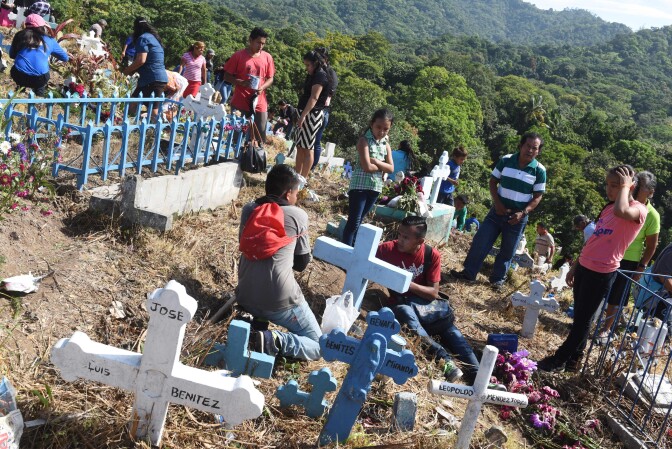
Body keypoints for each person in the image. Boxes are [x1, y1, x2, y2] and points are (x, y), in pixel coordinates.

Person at [538, 165, 647, 372]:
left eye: (616, 186)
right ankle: (574, 359)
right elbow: (594, 240)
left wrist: (625, 187)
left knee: (582, 321)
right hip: (585, 266)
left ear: (630, 186)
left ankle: (559, 360)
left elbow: (622, 211)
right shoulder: (607, 208)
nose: (610, 190)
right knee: (580, 316)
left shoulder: (637, 209)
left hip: (602, 272)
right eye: (608, 184)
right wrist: (575, 266)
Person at [376, 216, 481, 382]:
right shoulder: (386, 250)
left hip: (428, 308)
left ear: (420, 240)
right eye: (399, 235)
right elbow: (365, 261)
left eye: (406, 237)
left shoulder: (431, 255)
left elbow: (433, 292)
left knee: (453, 334)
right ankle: (445, 362)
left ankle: (480, 376)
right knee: (404, 312)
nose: (400, 240)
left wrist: (405, 283)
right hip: (403, 306)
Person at [236, 164, 321, 361]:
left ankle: (256, 323)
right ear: (287, 193)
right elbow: (301, 263)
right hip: (279, 301)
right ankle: (273, 340)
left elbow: (244, 245)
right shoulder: (297, 215)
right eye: (296, 192)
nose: (297, 197)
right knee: (318, 346)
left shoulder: (249, 209)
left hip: (245, 295)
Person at [451, 133, 546, 290]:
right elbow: (493, 181)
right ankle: (468, 273)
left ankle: (497, 281)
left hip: (518, 217)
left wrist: (523, 212)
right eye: (527, 146)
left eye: (534, 148)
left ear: (538, 151)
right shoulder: (507, 160)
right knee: (481, 241)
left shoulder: (539, 171)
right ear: (521, 146)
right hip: (497, 211)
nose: (530, 150)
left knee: (508, 250)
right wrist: (497, 203)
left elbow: (537, 197)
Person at [598, 171, 660, 340]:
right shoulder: (621, 203)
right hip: (608, 252)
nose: (637, 189)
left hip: (628, 259)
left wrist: (642, 266)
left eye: (642, 187)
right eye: (636, 185)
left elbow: (651, 245)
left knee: (617, 295)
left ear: (651, 192)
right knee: (599, 288)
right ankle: (589, 320)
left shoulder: (652, 215)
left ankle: (606, 328)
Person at [341, 109, 395, 247]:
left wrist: (376, 162)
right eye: (378, 127)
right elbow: (366, 167)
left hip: (375, 187)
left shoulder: (385, 145)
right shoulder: (363, 141)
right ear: (372, 124)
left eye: (386, 129)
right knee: (354, 221)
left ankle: (352, 248)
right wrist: (383, 166)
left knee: (359, 221)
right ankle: (345, 249)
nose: (381, 132)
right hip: (359, 186)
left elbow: (391, 168)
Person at [223, 27, 275, 145]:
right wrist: (240, 82)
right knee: (236, 132)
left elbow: (270, 78)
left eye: (263, 44)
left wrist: (262, 87)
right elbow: (226, 76)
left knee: (260, 132)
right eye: (258, 42)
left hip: (259, 101)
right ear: (250, 40)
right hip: (240, 100)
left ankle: (255, 157)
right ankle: (232, 155)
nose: (260, 46)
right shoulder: (239, 56)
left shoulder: (267, 57)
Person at [294, 50, 332, 178]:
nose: (306, 68)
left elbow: (314, 98)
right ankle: (296, 175)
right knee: (300, 146)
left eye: (308, 65)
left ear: (315, 63)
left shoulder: (321, 75)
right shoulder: (312, 74)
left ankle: (303, 179)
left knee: (308, 148)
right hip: (303, 112)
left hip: (312, 115)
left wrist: (303, 116)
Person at [9, 14, 68, 96]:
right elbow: (65, 58)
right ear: (42, 26)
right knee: (41, 81)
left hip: (19, 75)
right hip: (39, 79)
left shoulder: (19, 36)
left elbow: (12, 55)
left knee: (19, 69)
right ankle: (39, 96)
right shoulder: (49, 40)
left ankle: (19, 91)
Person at [123, 17, 167, 122]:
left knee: (152, 110)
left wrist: (126, 71)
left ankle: (156, 133)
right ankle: (134, 127)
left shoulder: (143, 38)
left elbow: (141, 60)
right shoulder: (154, 38)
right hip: (157, 78)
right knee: (133, 104)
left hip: (151, 79)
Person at [310, 47, 338, 172]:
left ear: (325, 58)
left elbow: (329, 93)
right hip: (314, 109)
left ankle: (312, 166)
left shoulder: (329, 73)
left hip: (322, 110)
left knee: (316, 140)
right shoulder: (317, 71)